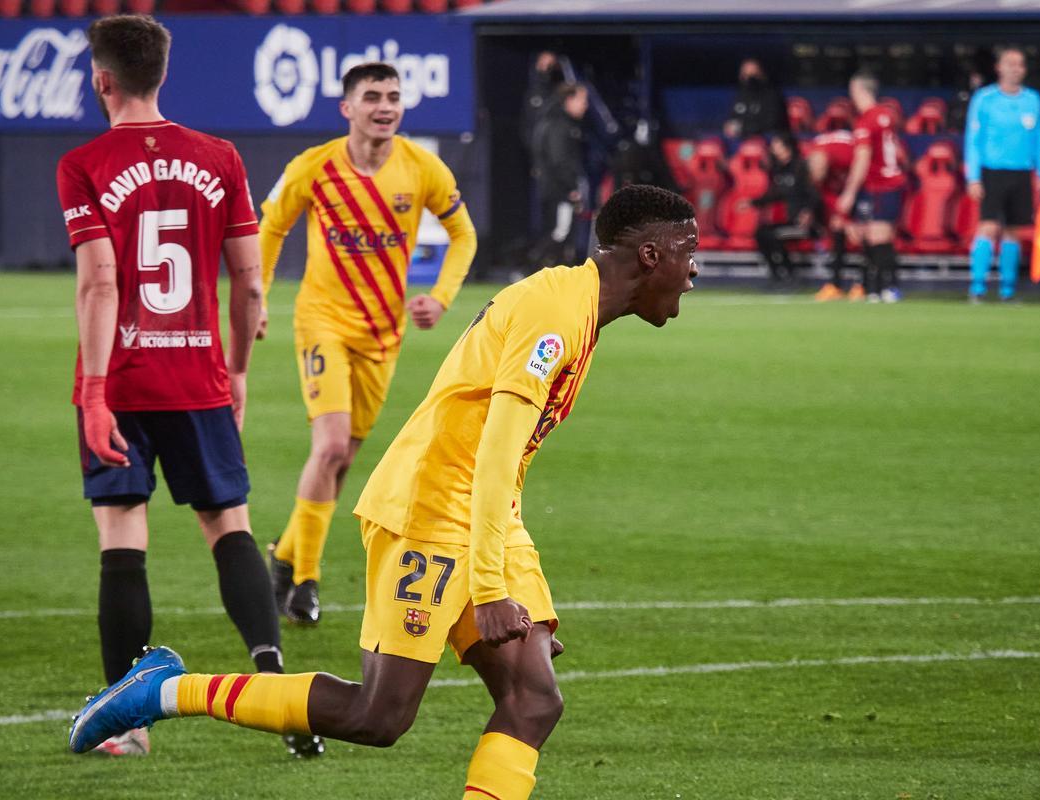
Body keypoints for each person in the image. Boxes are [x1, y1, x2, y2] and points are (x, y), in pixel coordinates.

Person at [67, 184, 700, 800]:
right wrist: (490, 589)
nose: (694, 271)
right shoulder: (556, 317)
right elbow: (495, 452)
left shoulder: (576, 306)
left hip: (485, 510)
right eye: (688, 252)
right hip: (431, 509)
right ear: (650, 255)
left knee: (533, 700)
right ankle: (164, 689)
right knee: (379, 716)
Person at [55, 14, 317, 758]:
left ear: (101, 79)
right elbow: (249, 281)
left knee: (122, 536)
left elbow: (101, 281)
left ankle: (125, 724)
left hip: (123, 378)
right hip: (198, 377)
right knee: (227, 525)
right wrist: (235, 369)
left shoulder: (83, 164)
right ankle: (275, 686)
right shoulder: (220, 156)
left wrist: (99, 389)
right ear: (161, 75)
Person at [259, 62, 477, 625]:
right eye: (373, 96)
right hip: (322, 322)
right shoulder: (314, 167)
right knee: (329, 447)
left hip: (382, 335)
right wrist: (256, 296)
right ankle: (304, 582)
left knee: (344, 458)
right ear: (347, 108)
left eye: (394, 97)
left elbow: (463, 234)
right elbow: (270, 227)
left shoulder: (421, 168)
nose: (386, 106)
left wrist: (442, 296)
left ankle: (283, 556)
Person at [964, 46, 1040, 303]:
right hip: (992, 172)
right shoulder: (984, 99)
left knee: (1013, 232)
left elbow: (1039, 140)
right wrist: (974, 177)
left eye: (1020, 64)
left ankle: (1008, 290)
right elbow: (973, 139)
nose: (1015, 69)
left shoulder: (1032, 100)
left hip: (1022, 172)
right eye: (1010, 63)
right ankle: (978, 288)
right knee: (988, 227)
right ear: (999, 68)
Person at [836, 71, 908, 303]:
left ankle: (888, 287)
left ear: (859, 90)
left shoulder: (866, 120)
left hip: (879, 185)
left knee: (877, 237)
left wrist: (849, 192)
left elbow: (862, 158)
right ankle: (878, 288)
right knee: (873, 236)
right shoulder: (887, 115)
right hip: (891, 181)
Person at [527, 83, 589, 272]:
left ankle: (543, 272)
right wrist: (571, 187)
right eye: (582, 100)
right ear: (568, 100)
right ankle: (528, 269)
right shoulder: (560, 125)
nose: (585, 105)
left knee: (563, 233)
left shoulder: (557, 122)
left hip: (555, 188)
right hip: (558, 190)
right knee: (560, 232)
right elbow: (559, 160)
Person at [751, 132, 819, 284]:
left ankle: (789, 273)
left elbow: (814, 194)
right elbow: (777, 194)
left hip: (803, 224)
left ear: (786, 148)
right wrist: (752, 203)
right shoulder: (779, 170)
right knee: (761, 233)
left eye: (776, 145)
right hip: (790, 222)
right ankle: (776, 274)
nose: (773, 148)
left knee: (775, 236)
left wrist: (808, 212)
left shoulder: (800, 167)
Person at [808, 128, 862, 301]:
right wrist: (841, 216)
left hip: (868, 184)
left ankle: (865, 284)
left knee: (864, 233)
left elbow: (863, 174)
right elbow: (825, 190)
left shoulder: (846, 153)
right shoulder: (814, 155)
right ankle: (835, 285)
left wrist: (851, 218)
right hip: (844, 189)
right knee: (837, 228)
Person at [723, 59, 788, 140]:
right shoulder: (740, 95)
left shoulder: (772, 95)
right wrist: (729, 126)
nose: (750, 78)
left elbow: (772, 124)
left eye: (754, 74)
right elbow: (733, 118)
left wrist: (744, 129)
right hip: (741, 141)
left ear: (762, 74)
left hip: (766, 140)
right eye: (746, 74)